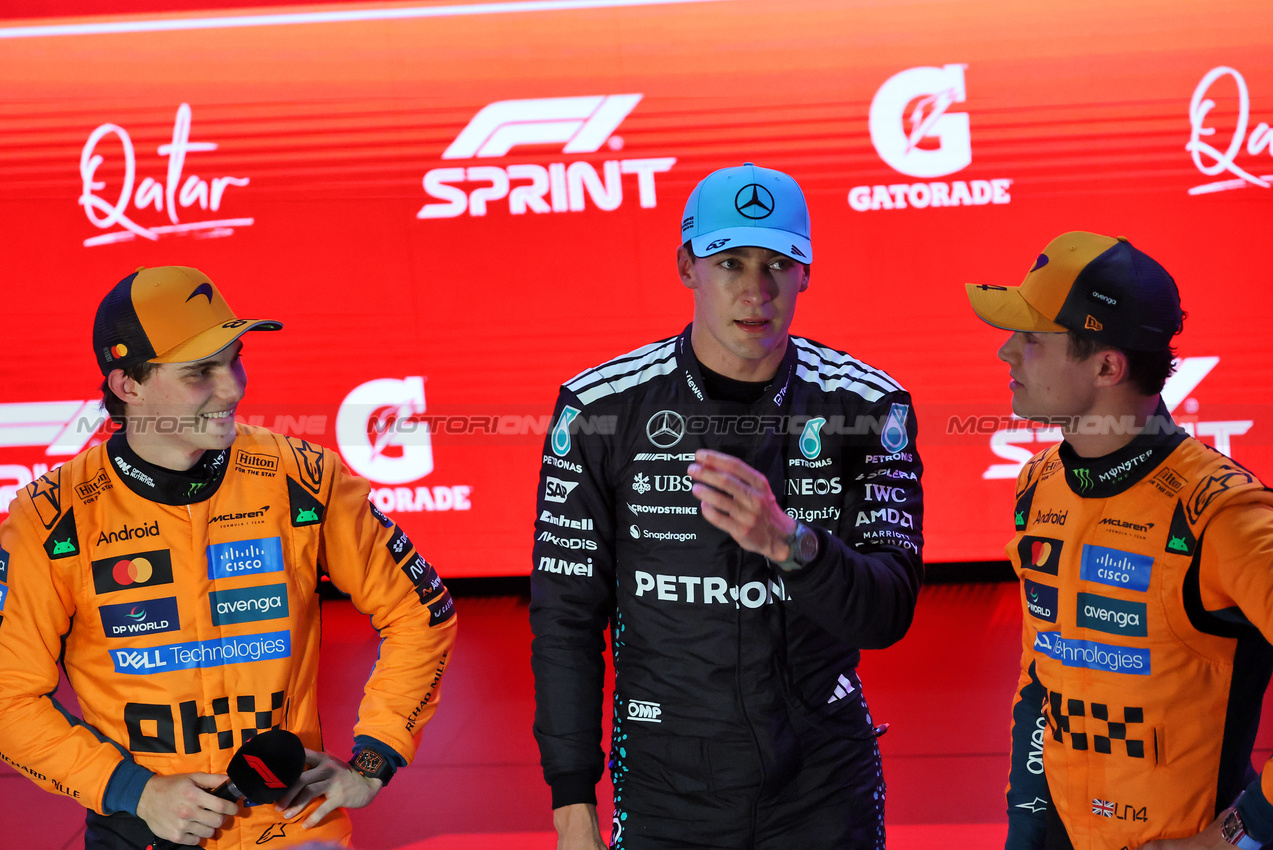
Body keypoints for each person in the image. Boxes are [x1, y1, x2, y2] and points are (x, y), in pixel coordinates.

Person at [530, 163, 924, 850]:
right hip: (666, 782)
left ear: (807, 272)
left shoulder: (865, 406)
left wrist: (792, 545)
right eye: (730, 262)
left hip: (822, 778)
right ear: (687, 266)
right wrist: (571, 803)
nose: (755, 290)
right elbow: (565, 615)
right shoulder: (599, 408)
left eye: (778, 263)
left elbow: (887, 613)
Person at [0, 266, 457, 848]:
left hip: (295, 829)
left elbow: (422, 612)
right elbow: (7, 695)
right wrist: (136, 792)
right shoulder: (52, 516)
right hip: (140, 831)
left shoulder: (301, 477)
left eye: (234, 359)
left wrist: (374, 760)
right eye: (200, 372)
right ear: (127, 386)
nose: (233, 387)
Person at [966, 232, 1273, 850]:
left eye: (1031, 338)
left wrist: (1235, 839)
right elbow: (1041, 673)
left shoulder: (1222, 512)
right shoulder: (1040, 485)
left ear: (1108, 365)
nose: (1005, 352)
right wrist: (1027, 824)